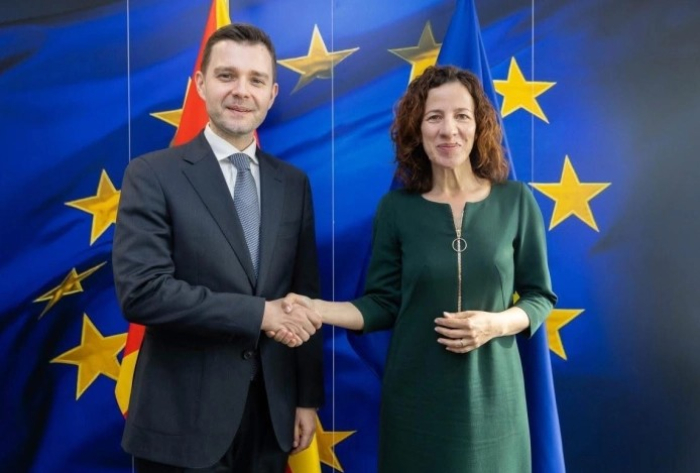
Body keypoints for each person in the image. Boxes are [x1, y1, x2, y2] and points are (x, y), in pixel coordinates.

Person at [280, 65, 557, 472]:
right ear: (417, 128)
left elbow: (539, 296)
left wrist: (495, 324)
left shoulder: (516, 201)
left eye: (461, 116)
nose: (449, 130)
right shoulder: (396, 209)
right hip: (414, 406)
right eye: (434, 117)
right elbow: (381, 304)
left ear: (479, 125)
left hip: (495, 402)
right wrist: (317, 309)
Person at [112, 23, 323, 473]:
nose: (241, 91)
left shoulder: (293, 184)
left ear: (272, 94)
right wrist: (260, 314)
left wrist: (306, 398)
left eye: (256, 80)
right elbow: (143, 292)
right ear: (200, 83)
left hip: (272, 419)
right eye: (227, 75)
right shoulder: (151, 175)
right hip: (180, 423)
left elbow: (303, 296)